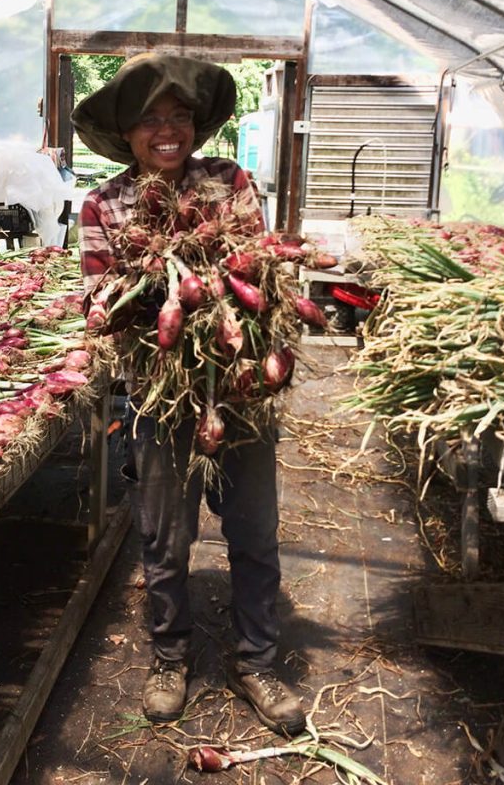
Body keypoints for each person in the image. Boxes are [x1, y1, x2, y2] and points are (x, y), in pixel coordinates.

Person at [73, 53, 306, 736]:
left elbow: (257, 267)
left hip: (237, 393)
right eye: (150, 119)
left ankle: (257, 662)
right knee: (164, 539)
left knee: (256, 533)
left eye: (179, 116)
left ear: (197, 127)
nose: (167, 130)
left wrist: (220, 296)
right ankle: (171, 657)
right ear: (127, 132)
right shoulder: (103, 204)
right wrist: (157, 286)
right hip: (159, 394)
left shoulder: (230, 181)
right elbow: (97, 302)